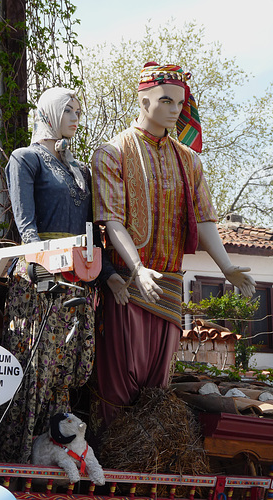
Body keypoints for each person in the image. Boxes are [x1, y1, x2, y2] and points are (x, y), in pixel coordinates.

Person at [90, 62, 256, 438]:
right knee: (119, 381)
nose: (174, 110)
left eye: (179, 103)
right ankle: (114, 458)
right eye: (165, 101)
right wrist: (137, 267)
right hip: (127, 286)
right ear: (143, 99)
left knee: (156, 386)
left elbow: (204, 219)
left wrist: (227, 266)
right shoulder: (112, 153)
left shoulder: (188, 160)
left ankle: (147, 463)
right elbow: (111, 220)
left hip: (169, 284)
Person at [0, 87, 113, 464]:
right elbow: (25, 221)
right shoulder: (25, 158)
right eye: (69, 110)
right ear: (48, 112)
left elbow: (94, 228)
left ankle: (54, 456)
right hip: (39, 279)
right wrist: (36, 264)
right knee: (34, 369)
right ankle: (16, 461)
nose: (76, 117)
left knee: (64, 371)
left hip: (75, 282)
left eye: (79, 111)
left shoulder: (79, 169)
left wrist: (105, 273)